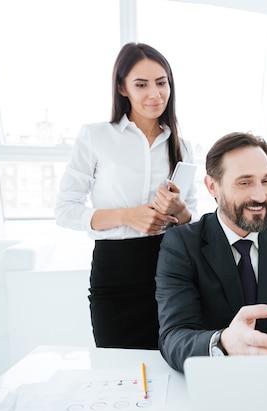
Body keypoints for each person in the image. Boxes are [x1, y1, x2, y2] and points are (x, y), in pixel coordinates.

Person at [55, 42, 197, 350]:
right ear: (122, 88)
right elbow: (66, 210)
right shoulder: (95, 136)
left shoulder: (182, 147)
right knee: (117, 370)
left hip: (171, 270)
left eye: (162, 83)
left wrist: (179, 211)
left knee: (170, 365)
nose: (155, 93)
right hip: (115, 272)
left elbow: (192, 220)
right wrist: (128, 216)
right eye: (141, 84)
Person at [155, 132, 267, 372]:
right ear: (212, 186)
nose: (260, 196)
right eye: (244, 182)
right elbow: (174, 336)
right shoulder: (182, 245)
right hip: (215, 384)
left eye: (266, 181)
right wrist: (224, 343)